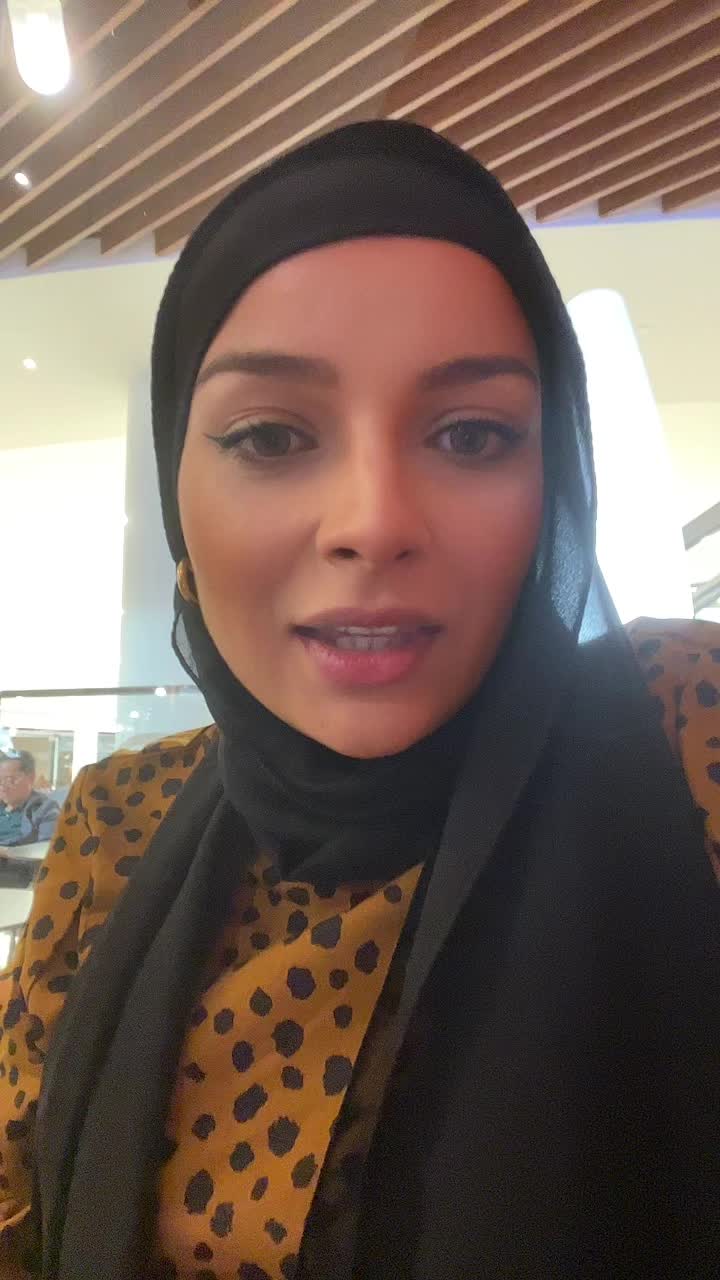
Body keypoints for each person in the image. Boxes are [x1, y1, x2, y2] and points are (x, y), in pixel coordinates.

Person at [0, 122, 718, 1280]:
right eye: (271, 435)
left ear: (555, 478)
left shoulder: (683, 734)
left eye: (471, 434)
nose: (374, 522)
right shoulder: (115, 824)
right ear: (179, 490)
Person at [0, 751, 60, 849]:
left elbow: (48, 849)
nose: (2, 786)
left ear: (31, 778)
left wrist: (6, 852)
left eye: (10, 779)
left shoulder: (46, 809)